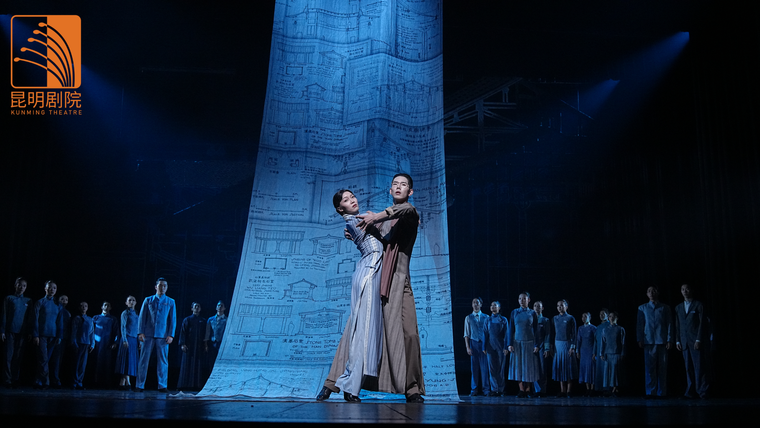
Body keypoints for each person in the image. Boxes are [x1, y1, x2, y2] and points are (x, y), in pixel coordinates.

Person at [317, 174, 425, 403]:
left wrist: (375, 217)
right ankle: (331, 383)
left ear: (410, 192)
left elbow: (404, 211)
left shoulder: (408, 212)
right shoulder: (383, 220)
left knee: (409, 333)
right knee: (355, 328)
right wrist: (355, 233)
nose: (398, 187)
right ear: (390, 190)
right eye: (395, 184)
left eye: (403, 185)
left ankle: (412, 388)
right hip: (378, 279)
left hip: (399, 281)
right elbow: (373, 240)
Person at [136, 278, 177, 393]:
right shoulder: (148, 300)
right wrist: (140, 332)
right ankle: (139, 385)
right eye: (160, 285)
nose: (162, 287)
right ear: (156, 287)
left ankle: (162, 385)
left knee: (163, 361)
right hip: (148, 334)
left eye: (164, 286)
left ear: (166, 288)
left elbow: (173, 320)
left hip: (163, 335)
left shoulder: (170, 301)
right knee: (143, 360)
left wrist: (171, 335)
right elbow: (142, 317)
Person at [636, 286, 672, 398]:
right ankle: (650, 392)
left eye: (653, 291)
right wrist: (640, 338)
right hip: (648, 341)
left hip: (662, 340)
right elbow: (640, 324)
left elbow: (669, 324)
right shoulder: (642, 308)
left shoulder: (665, 307)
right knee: (649, 368)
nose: (651, 293)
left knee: (662, 367)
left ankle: (662, 392)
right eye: (649, 291)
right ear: (647, 294)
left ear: (658, 292)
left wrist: (669, 339)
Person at [674, 284, 708, 399]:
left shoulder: (698, 305)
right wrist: (677, 340)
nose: (685, 291)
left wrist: (699, 339)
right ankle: (690, 391)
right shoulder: (678, 307)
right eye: (682, 289)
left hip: (695, 341)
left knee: (699, 367)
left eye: (687, 289)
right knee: (688, 368)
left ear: (691, 290)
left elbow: (702, 324)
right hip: (684, 342)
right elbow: (677, 325)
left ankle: (702, 391)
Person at [506, 292, 540, 398]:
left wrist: (536, 345)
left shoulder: (532, 313)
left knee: (528, 367)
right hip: (517, 343)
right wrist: (509, 344)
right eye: (520, 298)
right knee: (518, 367)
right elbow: (511, 329)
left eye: (524, 298)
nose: (522, 300)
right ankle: (521, 389)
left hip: (529, 343)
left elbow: (536, 330)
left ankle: (528, 389)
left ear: (528, 300)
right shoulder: (514, 312)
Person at [32, 280, 64, 389]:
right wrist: (35, 335)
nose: (52, 290)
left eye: (54, 288)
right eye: (50, 287)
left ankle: (38, 380)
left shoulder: (58, 305)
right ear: (45, 288)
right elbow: (35, 319)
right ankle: (46, 381)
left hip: (53, 335)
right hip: (42, 334)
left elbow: (60, 322)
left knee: (45, 360)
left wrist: (59, 336)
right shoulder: (40, 302)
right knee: (43, 358)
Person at [2, 277, 31, 388]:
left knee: (18, 356)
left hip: (22, 332)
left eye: (24, 286)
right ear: (15, 285)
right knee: (8, 356)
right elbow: (4, 314)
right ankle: (7, 379)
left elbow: (29, 318)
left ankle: (15, 378)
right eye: (19, 285)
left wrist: (29, 332)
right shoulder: (9, 298)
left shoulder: (28, 301)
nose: (21, 287)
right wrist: (2, 330)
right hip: (10, 331)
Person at [177, 302, 207, 392]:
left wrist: (205, 345)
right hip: (189, 346)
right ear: (192, 309)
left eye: (198, 306)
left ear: (200, 309)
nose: (197, 308)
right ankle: (184, 385)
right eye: (195, 306)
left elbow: (205, 334)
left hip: (199, 346)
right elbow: (183, 332)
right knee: (187, 364)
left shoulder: (203, 320)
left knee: (198, 365)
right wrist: (183, 344)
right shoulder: (187, 319)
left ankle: (197, 385)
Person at [551, 299, 577, 398]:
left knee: (568, 367)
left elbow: (574, 334)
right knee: (560, 367)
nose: (559, 307)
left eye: (561, 305)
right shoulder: (555, 318)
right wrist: (552, 346)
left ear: (566, 306)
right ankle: (562, 390)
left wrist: (572, 346)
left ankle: (569, 391)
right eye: (558, 305)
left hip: (567, 344)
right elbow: (552, 333)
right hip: (558, 344)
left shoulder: (570, 318)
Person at [464, 297, 489, 396]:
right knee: (474, 368)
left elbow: (488, 333)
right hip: (473, 343)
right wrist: (468, 347)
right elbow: (466, 334)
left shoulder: (486, 317)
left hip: (483, 344)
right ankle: (474, 389)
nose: (475, 304)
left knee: (484, 368)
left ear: (481, 304)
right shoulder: (468, 317)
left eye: (477, 303)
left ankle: (486, 389)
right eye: (473, 302)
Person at [484, 301, 508, 396]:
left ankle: (501, 389)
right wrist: (484, 347)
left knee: (500, 368)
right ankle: (494, 389)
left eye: (495, 305)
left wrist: (506, 347)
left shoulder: (503, 319)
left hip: (501, 346)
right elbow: (485, 333)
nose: (493, 307)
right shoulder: (488, 320)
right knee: (492, 369)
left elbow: (507, 334)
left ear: (499, 308)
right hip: (490, 346)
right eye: (491, 305)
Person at [92, 301, 118, 387]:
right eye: (105, 305)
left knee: (107, 363)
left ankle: (106, 383)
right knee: (96, 362)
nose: (106, 307)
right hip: (97, 344)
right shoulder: (96, 318)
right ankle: (95, 382)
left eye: (108, 305)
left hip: (107, 344)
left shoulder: (113, 319)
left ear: (110, 308)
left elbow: (116, 332)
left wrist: (115, 342)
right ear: (102, 307)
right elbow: (91, 331)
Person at [116, 296, 139, 391]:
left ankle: (122, 382)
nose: (131, 302)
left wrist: (139, 341)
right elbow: (123, 327)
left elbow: (138, 328)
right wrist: (125, 339)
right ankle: (127, 383)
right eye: (129, 300)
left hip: (134, 339)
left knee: (130, 362)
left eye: (133, 300)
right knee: (126, 361)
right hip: (127, 338)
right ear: (126, 303)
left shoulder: (137, 314)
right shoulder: (125, 313)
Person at [70, 301, 94, 390]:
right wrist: (74, 342)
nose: (84, 307)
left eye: (85, 306)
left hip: (86, 343)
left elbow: (92, 332)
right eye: (82, 306)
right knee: (76, 363)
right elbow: (74, 331)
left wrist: (92, 344)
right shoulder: (77, 318)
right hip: (78, 343)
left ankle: (79, 382)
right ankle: (74, 382)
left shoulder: (90, 319)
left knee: (83, 364)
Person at [50, 294, 72, 388]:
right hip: (54, 336)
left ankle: (55, 378)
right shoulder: (55, 309)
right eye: (62, 299)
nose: (64, 301)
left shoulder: (67, 313)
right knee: (51, 358)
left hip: (63, 338)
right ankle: (51, 379)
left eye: (66, 299)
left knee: (58, 359)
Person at [601, 311, 625, 397]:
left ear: (616, 318)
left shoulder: (620, 329)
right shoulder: (605, 329)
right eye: (610, 316)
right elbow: (603, 342)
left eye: (613, 316)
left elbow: (623, 343)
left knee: (615, 372)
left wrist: (622, 353)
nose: (611, 318)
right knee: (608, 372)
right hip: (607, 352)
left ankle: (615, 388)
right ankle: (610, 389)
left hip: (616, 352)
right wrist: (601, 353)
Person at [532, 301, 552, 397]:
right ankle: (536, 390)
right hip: (532, 346)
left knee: (542, 369)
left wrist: (547, 348)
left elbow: (547, 334)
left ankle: (542, 390)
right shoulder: (530, 319)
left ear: (542, 308)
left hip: (542, 346)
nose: (537, 308)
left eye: (539, 306)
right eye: (535, 306)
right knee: (534, 369)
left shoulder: (545, 320)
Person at [576, 312, 596, 396]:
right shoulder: (580, 328)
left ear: (589, 318)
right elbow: (578, 340)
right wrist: (577, 351)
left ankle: (592, 388)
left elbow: (595, 341)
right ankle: (587, 388)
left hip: (590, 350)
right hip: (583, 351)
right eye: (582, 316)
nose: (583, 318)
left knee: (591, 369)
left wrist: (594, 352)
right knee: (584, 369)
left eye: (585, 316)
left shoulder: (593, 328)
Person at [205, 300, 227, 373]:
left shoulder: (226, 320)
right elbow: (207, 333)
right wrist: (206, 344)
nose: (220, 307)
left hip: (222, 343)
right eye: (218, 305)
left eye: (221, 306)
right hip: (212, 343)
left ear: (224, 308)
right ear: (216, 307)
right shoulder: (211, 319)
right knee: (211, 361)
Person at [593, 309, 610, 394]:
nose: (601, 315)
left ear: (607, 315)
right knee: (600, 370)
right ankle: (600, 389)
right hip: (599, 351)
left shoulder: (609, 325)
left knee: (607, 370)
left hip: (607, 351)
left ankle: (608, 389)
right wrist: (594, 353)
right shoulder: (598, 327)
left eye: (603, 314)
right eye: (600, 314)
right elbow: (595, 341)